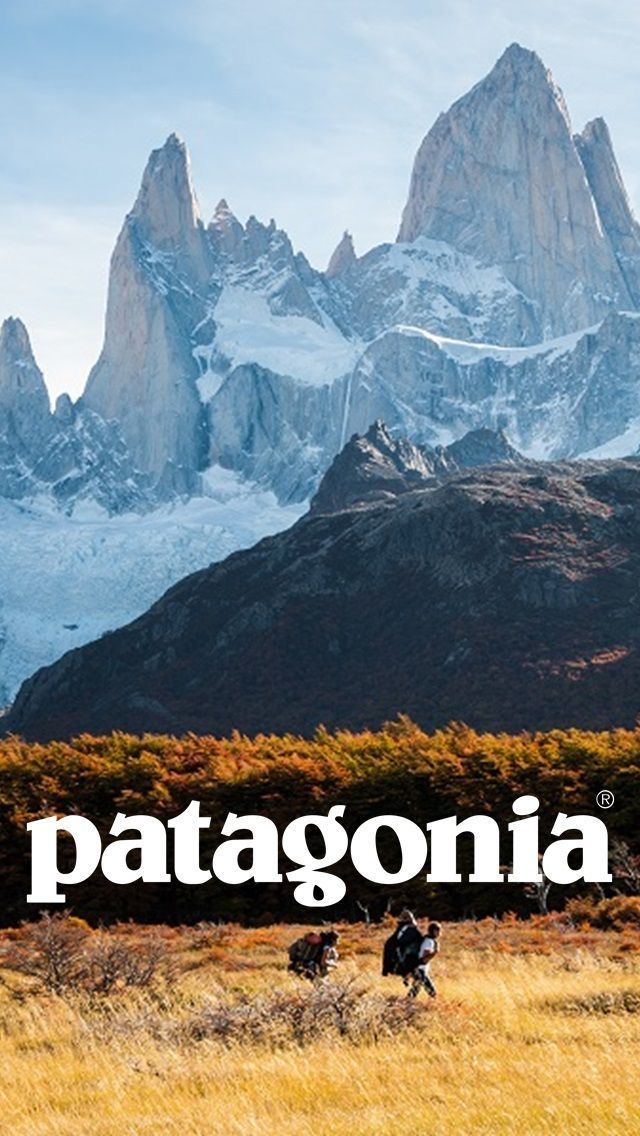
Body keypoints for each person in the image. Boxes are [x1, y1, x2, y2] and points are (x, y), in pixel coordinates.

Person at [381, 909, 423, 979]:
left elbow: (389, 945)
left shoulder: (400, 930)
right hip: (410, 956)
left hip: (399, 957)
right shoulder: (411, 930)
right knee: (419, 976)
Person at [408, 921, 442, 999]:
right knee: (430, 990)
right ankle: (434, 1001)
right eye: (438, 930)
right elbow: (425, 956)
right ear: (434, 931)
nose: (439, 933)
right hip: (420, 968)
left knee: (416, 988)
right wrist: (435, 952)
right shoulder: (429, 942)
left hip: (418, 967)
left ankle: (406, 1002)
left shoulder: (426, 939)